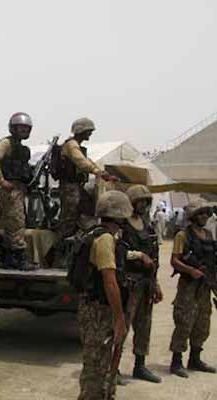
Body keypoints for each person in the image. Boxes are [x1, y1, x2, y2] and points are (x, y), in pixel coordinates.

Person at [75, 190, 131, 400]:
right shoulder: (105, 239)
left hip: (92, 307)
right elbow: (109, 281)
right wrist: (119, 319)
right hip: (98, 310)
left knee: (100, 363)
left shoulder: (94, 233)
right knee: (96, 368)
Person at [168, 200, 216, 378]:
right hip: (188, 286)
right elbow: (174, 260)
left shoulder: (209, 235)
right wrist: (191, 270)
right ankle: (176, 361)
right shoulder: (183, 235)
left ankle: (195, 359)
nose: (204, 216)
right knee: (184, 323)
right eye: (201, 213)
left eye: (206, 213)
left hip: (205, 287)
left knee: (202, 323)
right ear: (193, 216)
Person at [121, 185, 163, 383]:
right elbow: (117, 251)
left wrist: (156, 284)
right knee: (122, 326)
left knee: (144, 326)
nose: (144, 205)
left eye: (147, 201)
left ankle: (140, 365)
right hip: (129, 283)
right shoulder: (122, 225)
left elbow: (154, 256)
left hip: (146, 283)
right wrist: (138, 255)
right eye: (140, 201)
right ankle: (114, 367)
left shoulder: (147, 225)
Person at [0, 112, 35, 270]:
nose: (24, 131)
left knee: (14, 223)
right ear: (13, 128)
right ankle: (18, 259)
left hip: (18, 188)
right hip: (12, 189)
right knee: (16, 223)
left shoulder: (20, 147)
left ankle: (10, 257)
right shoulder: (6, 143)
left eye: (26, 128)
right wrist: (1, 181)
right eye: (20, 128)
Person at [58, 117, 117, 238]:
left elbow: (87, 161)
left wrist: (103, 173)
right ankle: (63, 240)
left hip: (76, 185)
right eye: (89, 130)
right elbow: (81, 162)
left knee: (82, 210)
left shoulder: (76, 145)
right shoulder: (71, 145)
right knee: (70, 215)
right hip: (70, 186)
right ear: (81, 130)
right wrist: (97, 171)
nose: (90, 133)